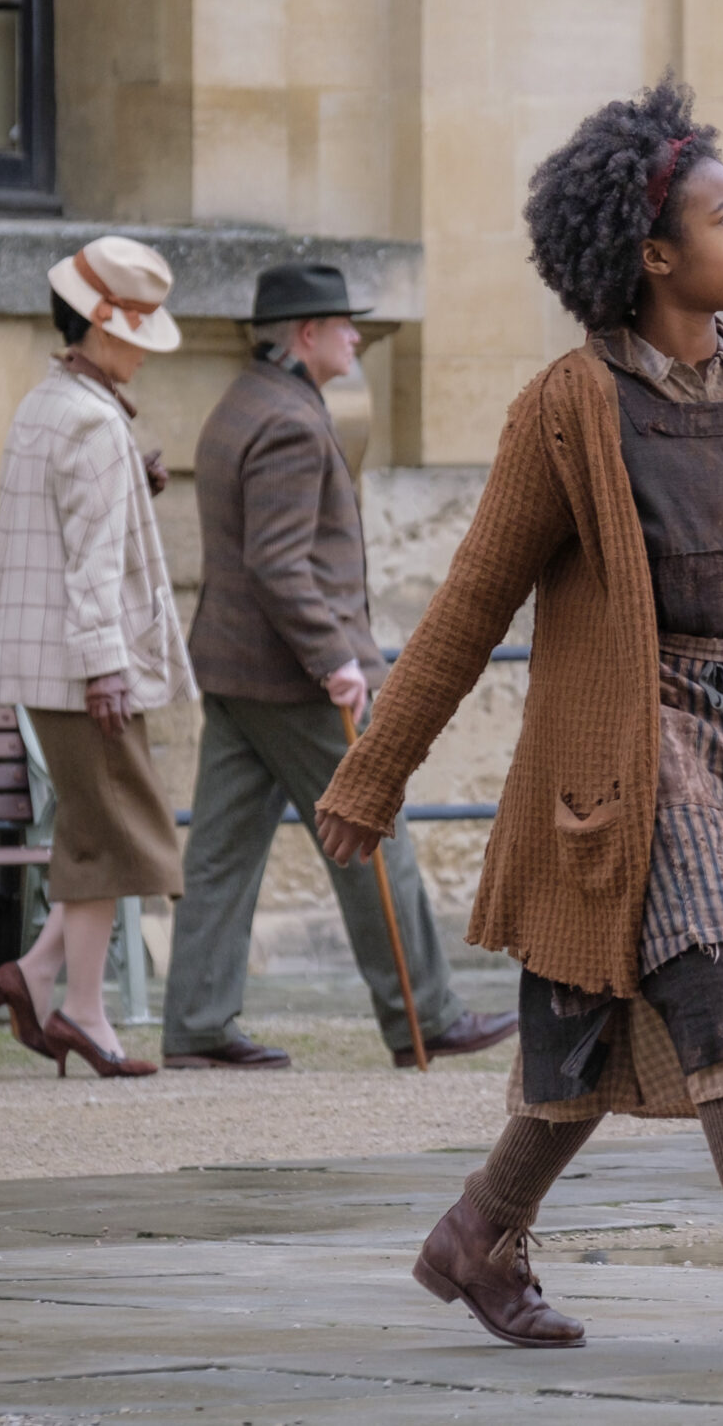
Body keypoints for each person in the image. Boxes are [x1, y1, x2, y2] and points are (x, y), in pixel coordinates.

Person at [313, 78, 723, 1371]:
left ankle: (481, 1230)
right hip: (630, 754)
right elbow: (468, 606)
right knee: (722, 976)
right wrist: (370, 783)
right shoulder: (567, 407)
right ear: (654, 255)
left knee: (577, 1040)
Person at [159, 262, 515, 1072]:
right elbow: (280, 565)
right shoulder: (287, 420)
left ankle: (196, 1023)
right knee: (372, 829)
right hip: (293, 680)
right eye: (343, 324)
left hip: (237, 672)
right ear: (307, 335)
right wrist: (336, 661)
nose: (357, 335)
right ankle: (425, 1015)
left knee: (219, 850)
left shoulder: (239, 403)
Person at [0, 237, 194, 1080]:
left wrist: (131, 479)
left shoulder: (52, 401)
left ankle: (36, 976)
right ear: (100, 329)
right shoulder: (94, 422)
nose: (142, 346)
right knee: (114, 839)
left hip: (44, 659)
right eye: (134, 329)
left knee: (100, 831)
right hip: (80, 665)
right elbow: (91, 562)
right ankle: (82, 1009)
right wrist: (107, 666)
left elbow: (58, 521)